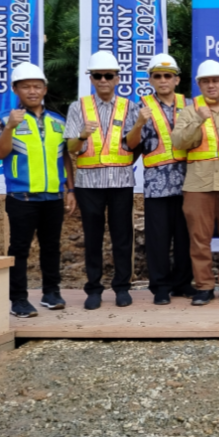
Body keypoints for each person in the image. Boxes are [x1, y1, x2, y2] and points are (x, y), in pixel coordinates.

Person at [0, 63, 76, 317]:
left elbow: (66, 158)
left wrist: (70, 190)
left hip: (52, 196)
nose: (32, 91)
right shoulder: (5, 118)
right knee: (19, 249)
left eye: (36, 86)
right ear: (16, 89)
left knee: (51, 247)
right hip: (21, 197)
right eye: (25, 86)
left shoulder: (58, 122)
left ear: (45, 89)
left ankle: (51, 293)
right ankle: (18, 299)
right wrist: (9, 128)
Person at [65, 51, 139, 310]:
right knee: (93, 237)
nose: (104, 80)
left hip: (120, 181)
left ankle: (122, 288)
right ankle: (94, 289)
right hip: (89, 184)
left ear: (117, 78)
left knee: (122, 237)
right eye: (98, 75)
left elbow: (134, 143)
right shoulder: (78, 107)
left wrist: (139, 125)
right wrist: (82, 135)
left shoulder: (130, 107)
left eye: (109, 75)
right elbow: (72, 148)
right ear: (91, 79)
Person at [171, 60, 219, 306]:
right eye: (206, 81)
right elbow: (179, 141)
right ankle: (203, 286)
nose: (211, 85)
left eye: (216, 81)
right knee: (199, 239)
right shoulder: (190, 110)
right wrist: (198, 121)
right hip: (198, 184)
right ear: (199, 84)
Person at [125, 54, 194, 305]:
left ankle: (184, 283)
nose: (163, 80)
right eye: (158, 76)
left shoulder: (190, 105)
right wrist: (139, 123)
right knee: (158, 239)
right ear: (150, 79)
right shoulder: (140, 107)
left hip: (188, 182)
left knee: (185, 236)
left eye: (168, 76)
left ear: (176, 80)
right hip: (156, 184)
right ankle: (161, 287)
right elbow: (130, 145)